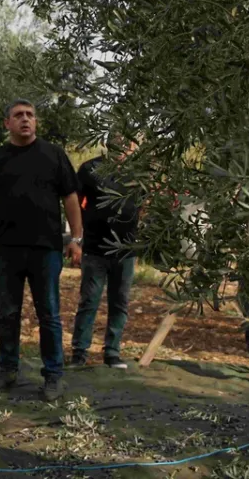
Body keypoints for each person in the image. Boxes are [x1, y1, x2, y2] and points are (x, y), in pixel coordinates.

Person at [0, 99, 83, 402]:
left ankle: (54, 375)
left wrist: (77, 239)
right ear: (7, 123)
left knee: (49, 314)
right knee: (7, 314)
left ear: (36, 122)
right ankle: (7, 369)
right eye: (18, 115)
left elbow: (71, 198)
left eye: (30, 115)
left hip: (45, 249)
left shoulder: (54, 155)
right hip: (5, 251)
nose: (25, 120)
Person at [70, 135, 142, 369]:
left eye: (128, 141)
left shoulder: (138, 174)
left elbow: (148, 205)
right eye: (119, 140)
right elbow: (75, 204)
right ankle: (79, 352)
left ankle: (112, 352)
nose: (123, 145)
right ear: (108, 142)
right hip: (95, 249)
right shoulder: (90, 169)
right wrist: (76, 239)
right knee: (89, 301)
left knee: (119, 302)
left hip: (126, 251)